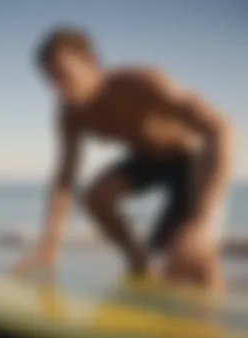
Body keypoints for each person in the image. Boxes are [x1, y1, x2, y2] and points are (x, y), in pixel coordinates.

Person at [12, 26, 233, 293]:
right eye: (51, 80)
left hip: (190, 161)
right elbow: (64, 180)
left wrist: (206, 222)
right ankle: (138, 261)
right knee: (96, 197)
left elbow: (221, 129)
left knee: (188, 250)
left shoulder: (142, 83)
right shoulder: (70, 115)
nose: (59, 89)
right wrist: (48, 248)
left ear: (92, 63)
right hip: (145, 161)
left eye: (64, 75)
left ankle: (214, 317)